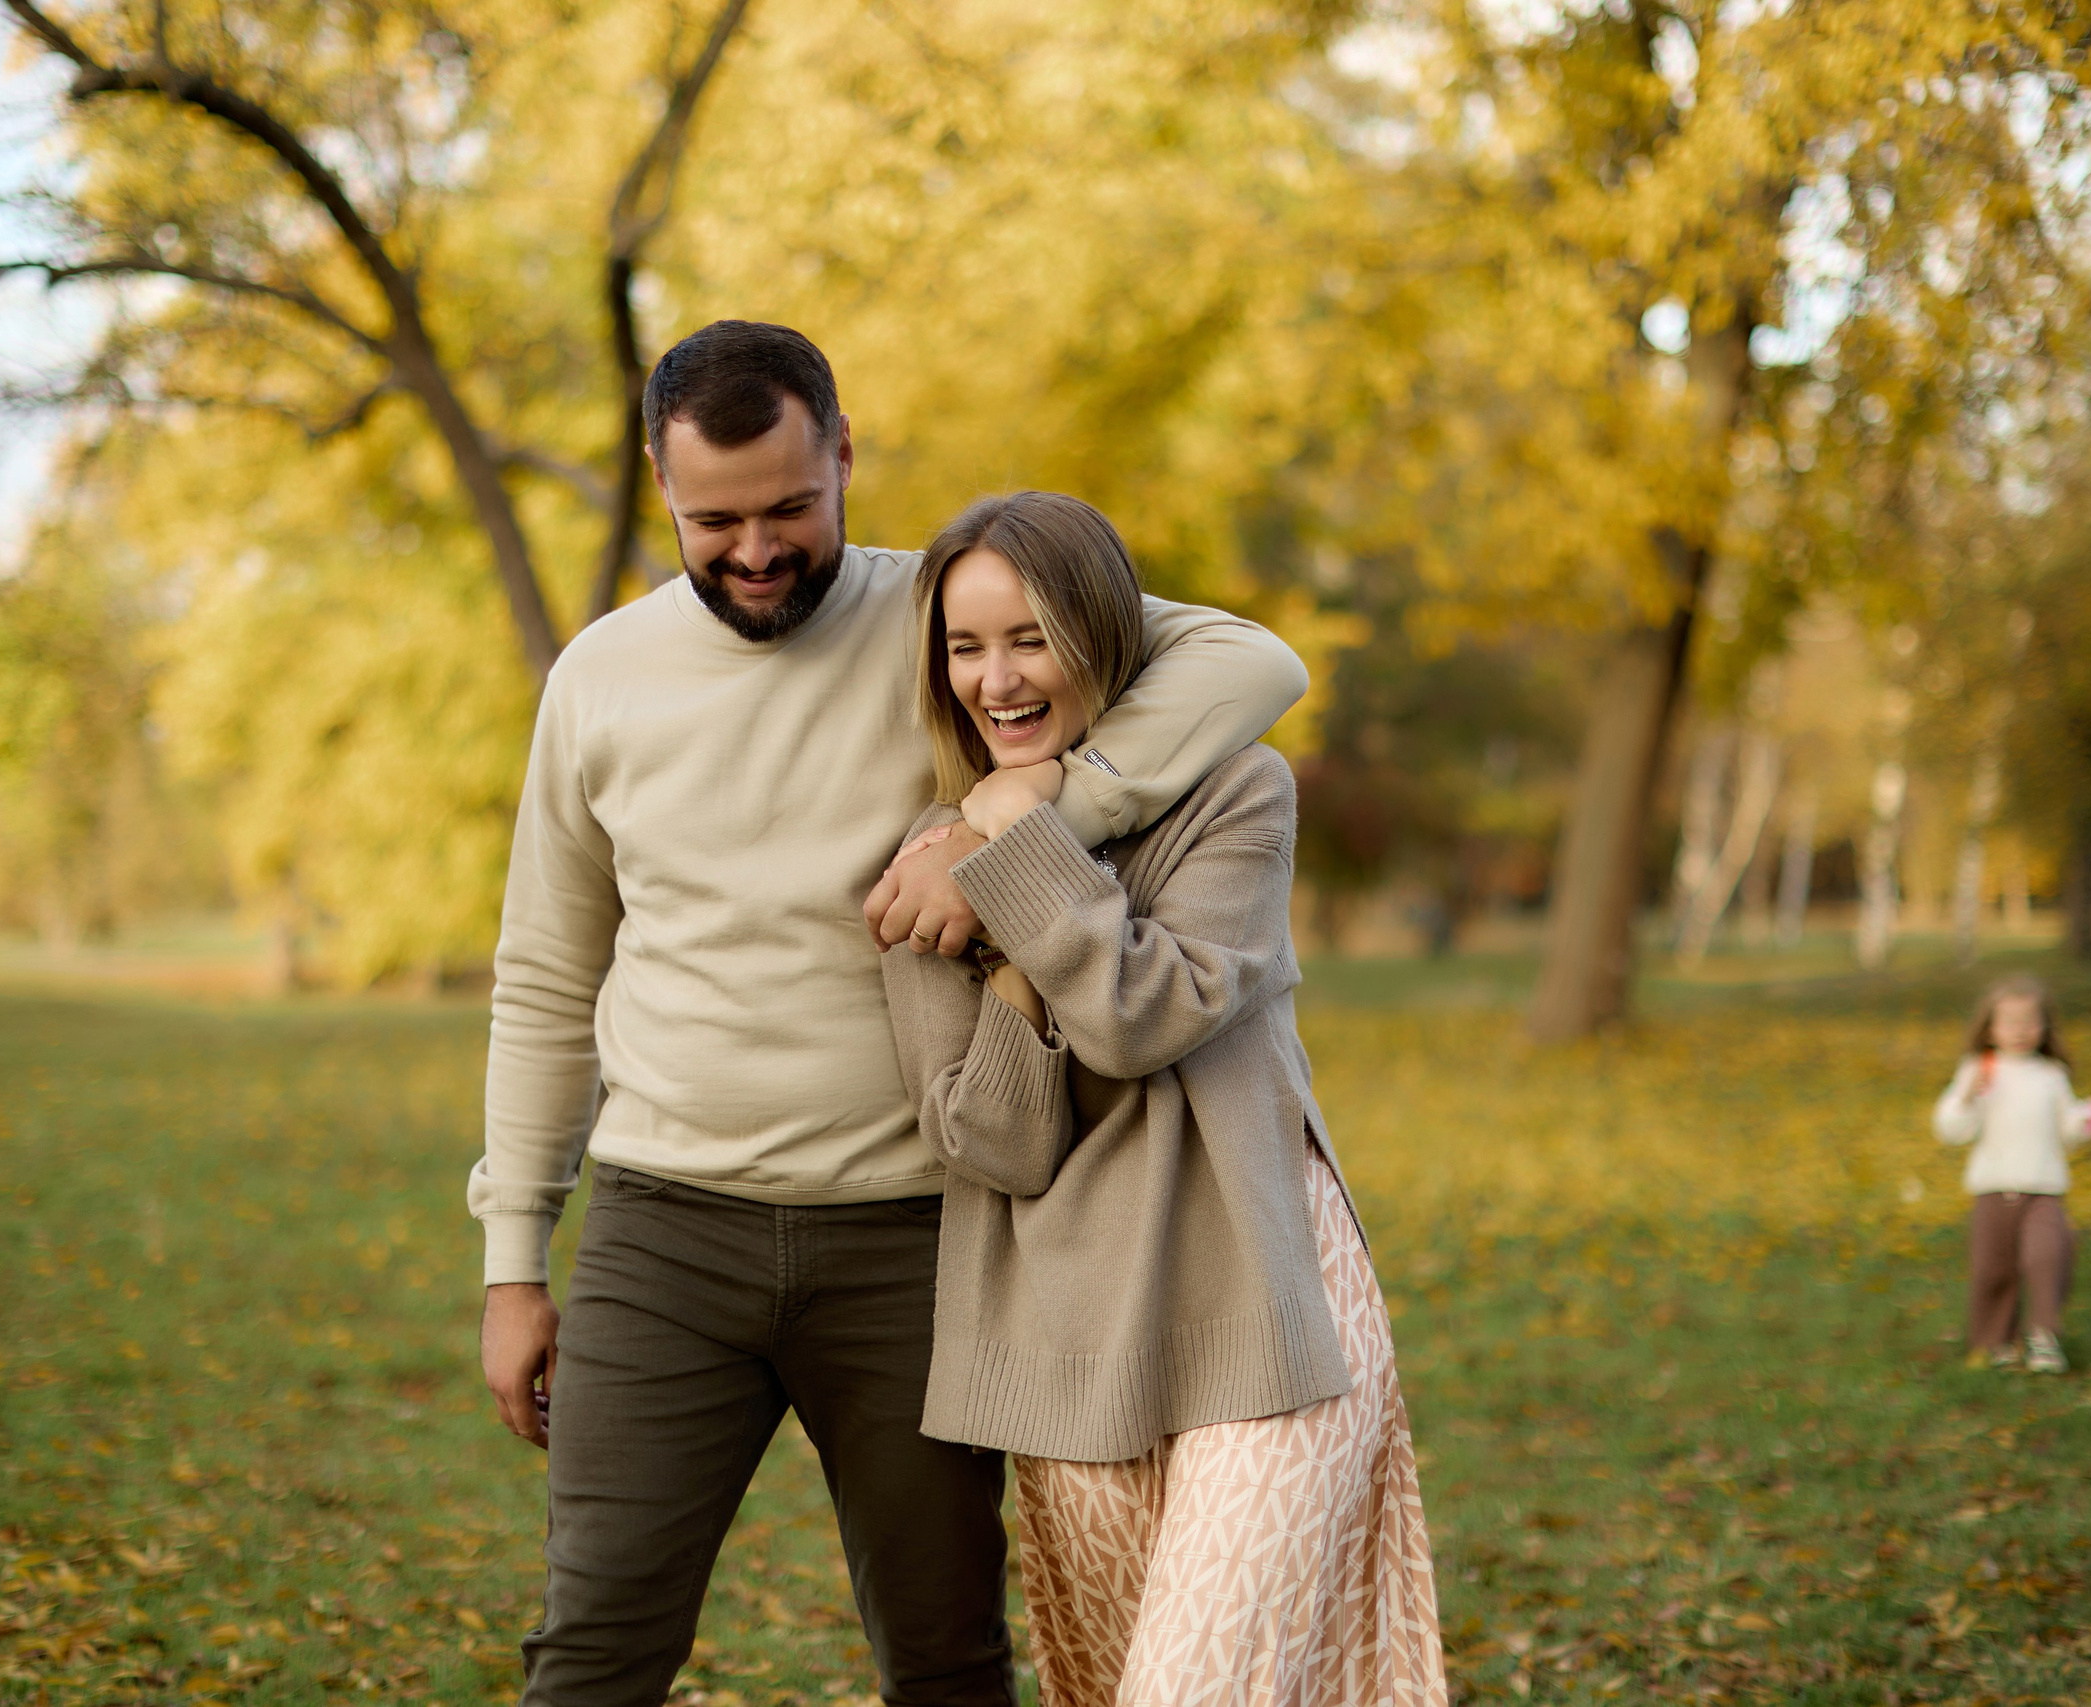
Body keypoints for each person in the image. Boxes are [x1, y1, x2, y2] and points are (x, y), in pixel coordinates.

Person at [469, 321, 1308, 1707]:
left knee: (946, 1654)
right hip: (661, 1232)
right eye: (712, 518)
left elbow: (1254, 662)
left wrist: (1036, 798)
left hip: (919, 1238)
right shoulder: (598, 679)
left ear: (846, 455)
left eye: (790, 507)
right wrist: (514, 1260)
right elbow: (549, 977)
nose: (754, 548)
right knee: (595, 1647)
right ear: (659, 486)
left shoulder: (952, 616)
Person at [880, 491, 1447, 1707]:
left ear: (1103, 638)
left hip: (1264, 1306)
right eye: (965, 647)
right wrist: (1013, 938)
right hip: (1071, 1343)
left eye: (1031, 637)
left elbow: (1146, 1016)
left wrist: (1019, 848)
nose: (998, 679)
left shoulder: (1239, 793)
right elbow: (999, 1143)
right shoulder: (930, 865)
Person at [1934, 974, 2091, 1375]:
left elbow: (2069, 1128)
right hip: (1993, 1188)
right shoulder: (1979, 1070)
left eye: (2030, 1021)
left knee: (2046, 1257)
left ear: (2044, 1026)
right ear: (1990, 1027)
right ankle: (1994, 1342)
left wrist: (2089, 1119)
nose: (2020, 1031)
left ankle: (2043, 1335)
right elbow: (1951, 1129)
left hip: (2044, 1188)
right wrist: (1967, 1096)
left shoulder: (2052, 1074)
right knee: (1994, 1270)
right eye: (2009, 1022)